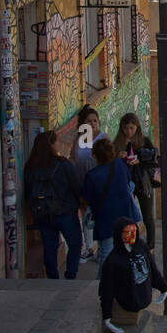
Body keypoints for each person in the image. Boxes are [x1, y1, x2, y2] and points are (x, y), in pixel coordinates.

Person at [22, 130, 84, 280]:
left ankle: (53, 279)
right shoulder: (64, 165)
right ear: (51, 145)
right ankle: (70, 276)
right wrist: (82, 204)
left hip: (42, 214)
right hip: (66, 213)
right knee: (75, 244)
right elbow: (77, 187)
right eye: (56, 142)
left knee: (49, 247)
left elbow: (28, 191)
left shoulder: (30, 168)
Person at [99, 219, 167, 333]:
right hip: (127, 301)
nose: (132, 235)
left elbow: (152, 268)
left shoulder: (141, 245)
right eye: (128, 232)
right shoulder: (113, 261)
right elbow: (107, 290)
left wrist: (163, 288)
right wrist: (107, 317)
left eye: (134, 232)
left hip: (144, 296)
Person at [81, 138, 137, 263]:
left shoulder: (92, 176)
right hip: (127, 219)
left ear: (95, 156)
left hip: (105, 223)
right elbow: (129, 186)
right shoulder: (120, 165)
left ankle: (103, 282)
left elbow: (86, 199)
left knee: (106, 257)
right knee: (129, 256)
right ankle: (129, 282)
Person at [114, 113, 158, 250]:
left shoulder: (144, 141)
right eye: (126, 128)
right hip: (125, 184)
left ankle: (150, 247)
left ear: (137, 127)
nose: (129, 132)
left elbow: (153, 160)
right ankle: (130, 245)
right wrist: (118, 157)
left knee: (148, 216)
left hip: (142, 182)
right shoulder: (117, 143)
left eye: (131, 128)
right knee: (127, 218)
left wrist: (140, 159)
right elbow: (110, 163)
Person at [74, 105, 102, 260]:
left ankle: (99, 248)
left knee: (98, 216)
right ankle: (90, 248)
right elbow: (74, 159)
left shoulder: (102, 137)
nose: (92, 124)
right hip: (83, 183)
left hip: (98, 184)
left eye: (95, 121)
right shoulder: (79, 140)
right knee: (87, 216)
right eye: (89, 121)